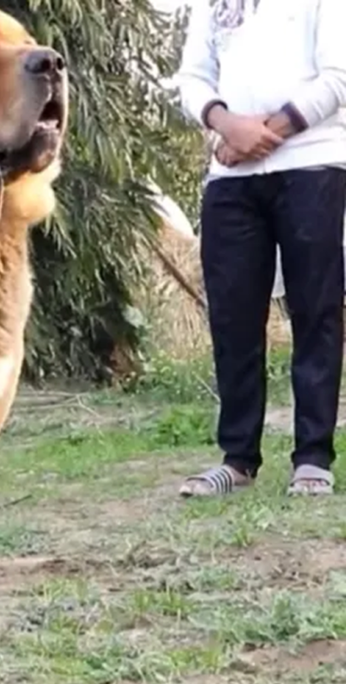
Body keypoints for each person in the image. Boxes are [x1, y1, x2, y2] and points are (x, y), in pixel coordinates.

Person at [174, 0, 346, 497]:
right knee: (233, 316)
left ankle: (313, 457)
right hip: (230, 177)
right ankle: (237, 458)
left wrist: (260, 134)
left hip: (313, 165)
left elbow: (337, 77)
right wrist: (227, 125)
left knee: (315, 311)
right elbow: (192, 78)